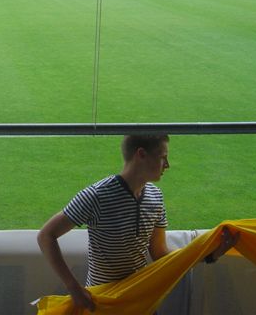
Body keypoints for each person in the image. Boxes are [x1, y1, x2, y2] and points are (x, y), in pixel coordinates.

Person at [37, 134, 239, 313]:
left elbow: (160, 254)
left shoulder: (155, 196)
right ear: (141, 154)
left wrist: (209, 254)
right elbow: (46, 236)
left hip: (141, 302)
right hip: (103, 303)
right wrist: (73, 287)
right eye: (162, 157)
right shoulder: (96, 195)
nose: (167, 165)